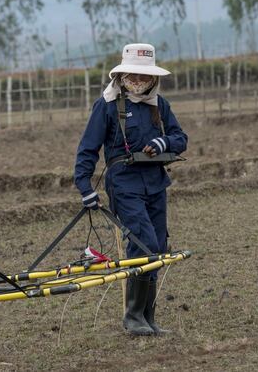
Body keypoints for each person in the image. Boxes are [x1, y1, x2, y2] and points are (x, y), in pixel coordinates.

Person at [74, 43, 188, 336]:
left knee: (159, 247)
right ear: (122, 77)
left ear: (152, 79)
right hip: (124, 184)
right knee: (144, 245)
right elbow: (88, 148)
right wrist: (85, 186)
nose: (137, 83)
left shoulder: (159, 105)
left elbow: (180, 138)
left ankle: (148, 318)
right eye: (132, 77)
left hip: (155, 182)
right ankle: (133, 317)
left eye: (143, 78)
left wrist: (165, 143)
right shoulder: (108, 105)